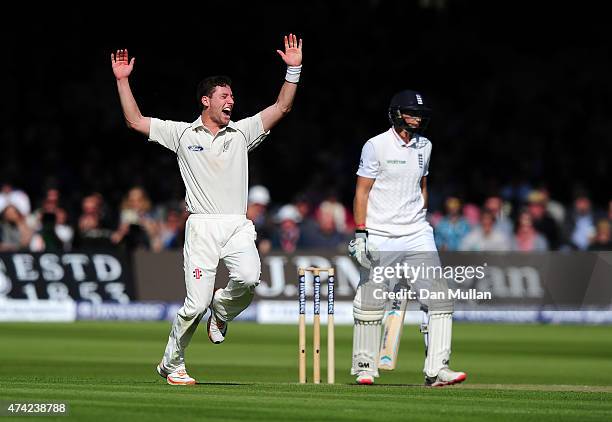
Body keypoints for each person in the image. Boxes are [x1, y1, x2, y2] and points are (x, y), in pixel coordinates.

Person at [111, 34, 302, 385]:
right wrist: (123, 80)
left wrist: (294, 70)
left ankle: (223, 309)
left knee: (247, 278)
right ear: (206, 101)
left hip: (237, 225)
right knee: (194, 306)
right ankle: (173, 363)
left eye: (232, 96)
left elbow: (281, 108)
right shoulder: (182, 134)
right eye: (225, 96)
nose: (232, 101)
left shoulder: (242, 132)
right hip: (201, 227)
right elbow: (135, 121)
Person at [348, 90, 466, 386]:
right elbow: (362, 191)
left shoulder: (425, 146)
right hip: (381, 233)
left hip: (416, 233)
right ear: (397, 114)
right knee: (371, 301)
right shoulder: (376, 145)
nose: (418, 119)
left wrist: (419, 218)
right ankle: (364, 365)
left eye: (421, 115)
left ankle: (437, 369)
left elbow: (422, 185)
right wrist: (361, 232)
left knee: (439, 299)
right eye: (413, 113)